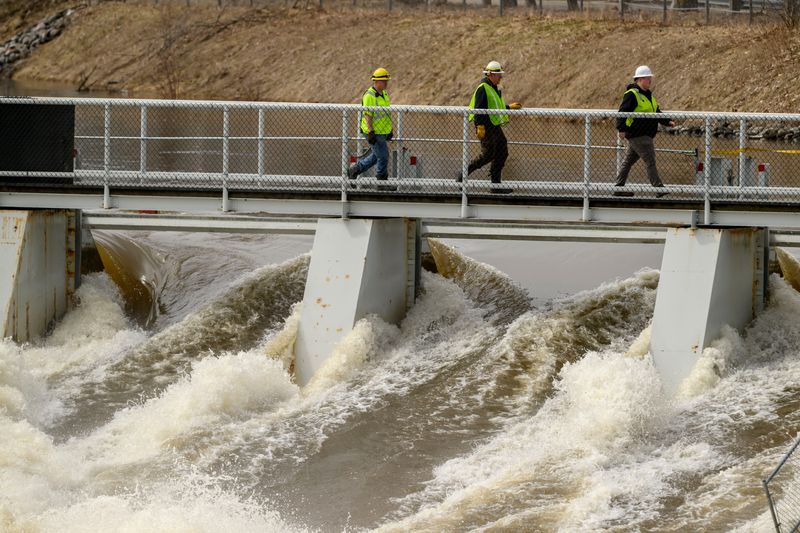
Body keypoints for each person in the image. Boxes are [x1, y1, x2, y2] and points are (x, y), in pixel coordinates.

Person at [456, 60, 521, 192]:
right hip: (485, 125)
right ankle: (462, 175)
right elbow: (478, 108)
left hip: (494, 125)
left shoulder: (492, 87)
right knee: (488, 154)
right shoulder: (483, 88)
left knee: (502, 151)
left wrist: (508, 107)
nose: (501, 77)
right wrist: (480, 126)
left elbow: (494, 106)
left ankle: (495, 185)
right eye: (498, 75)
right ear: (490, 74)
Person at [614, 65, 675, 198]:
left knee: (628, 161)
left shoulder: (649, 96)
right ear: (640, 79)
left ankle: (618, 188)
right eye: (648, 78)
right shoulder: (632, 94)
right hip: (638, 134)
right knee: (650, 160)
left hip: (642, 135)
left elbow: (656, 112)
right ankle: (659, 188)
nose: (650, 81)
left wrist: (667, 121)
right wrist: (621, 128)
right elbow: (622, 112)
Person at [348, 67, 393, 182]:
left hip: (382, 131)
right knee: (383, 156)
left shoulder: (384, 94)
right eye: (384, 81)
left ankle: (355, 170)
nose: (386, 83)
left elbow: (386, 113)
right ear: (376, 81)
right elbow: (368, 114)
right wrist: (370, 132)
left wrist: (389, 130)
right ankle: (381, 181)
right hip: (373, 132)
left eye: (386, 81)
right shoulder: (369, 95)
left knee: (376, 156)